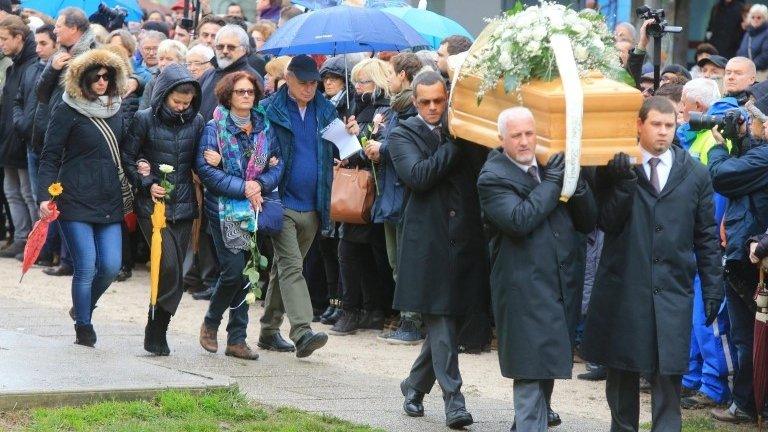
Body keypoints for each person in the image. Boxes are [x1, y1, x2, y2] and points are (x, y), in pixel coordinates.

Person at [582, 96, 724, 432]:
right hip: (625, 289)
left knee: (668, 381)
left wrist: (713, 285)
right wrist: (620, 184)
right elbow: (605, 223)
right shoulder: (617, 165)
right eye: (656, 125)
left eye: (669, 125)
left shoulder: (695, 173)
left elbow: (705, 236)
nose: (663, 132)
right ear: (639, 125)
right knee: (622, 380)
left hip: (672, 290)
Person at [478, 107, 596, 432]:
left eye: (530, 133)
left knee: (546, 369)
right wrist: (556, 181)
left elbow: (588, 221)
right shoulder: (492, 176)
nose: (525, 141)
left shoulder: (549, 166)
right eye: (516, 135)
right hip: (522, 289)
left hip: (558, 285)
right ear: (501, 138)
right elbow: (520, 219)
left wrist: (576, 179)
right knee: (529, 371)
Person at [389, 70, 488, 429]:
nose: (433, 108)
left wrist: (464, 138)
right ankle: (454, 400)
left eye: (438, 101)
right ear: (415, 102)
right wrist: (454, 144)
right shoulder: (402, 133)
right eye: (425, 102)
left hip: (464, 239)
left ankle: (414, 385)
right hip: (427, 243)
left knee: (450, 322)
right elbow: (418, 176)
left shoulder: (462, 131)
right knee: (442, 320)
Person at [37, 48, 130, 347]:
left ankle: (82, 306)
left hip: (110, 197)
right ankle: (84, 326)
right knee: (87, 264)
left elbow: (127, 150)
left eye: (108, 76)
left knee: (111, 266)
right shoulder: (66, 108)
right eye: (96, 77)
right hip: (74, 197)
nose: (102, 82)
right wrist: (44, 196)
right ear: (84, 79)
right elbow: (49, 155)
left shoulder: (117, 107)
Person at [197, 71, 282, 361]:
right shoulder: (214, 127)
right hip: (223, 209)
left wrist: (259, 184)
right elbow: (206, 172)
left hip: (255, 206)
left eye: (250, 92)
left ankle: (237, 339)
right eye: (240, 92)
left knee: (248, 272)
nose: (246, 96)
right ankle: (211, 322)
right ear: (228, 95)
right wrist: (243, 187)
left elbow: (276, 164)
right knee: (233, 270)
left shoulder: (264, 127)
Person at [258, 55, 340, 358]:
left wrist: (353, 135)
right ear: (287, 78)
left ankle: (268, 330)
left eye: (314, 83)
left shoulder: (327, 109)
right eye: (303, 83)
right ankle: (302, 330)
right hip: (281, 202)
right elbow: (255, 152)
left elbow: (346, 150)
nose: (309, 88)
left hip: (314, 204)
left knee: (284, 268)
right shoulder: (268, 110)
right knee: (293, 266)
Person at [122, 64, 204, 356]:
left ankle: (158, 325)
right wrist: (145, 182)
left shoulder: (197, 122)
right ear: (164, 95)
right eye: (177, 102)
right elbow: (128, 156)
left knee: (176, 272)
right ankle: (155, 327)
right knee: (167, 266)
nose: (182, 107)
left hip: (183, 206)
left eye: (187, 103)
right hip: (152, 206)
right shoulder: (144, 119)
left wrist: (213, 161)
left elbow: (198, 163)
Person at [708, 96, 768, 424]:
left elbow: (724, 177)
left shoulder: (765, 156)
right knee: (746, 336)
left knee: (749, 337)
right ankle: (746, 403)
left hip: (751, 259)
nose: (751, 123)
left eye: (754, 118)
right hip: (744, 252)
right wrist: (740, 140)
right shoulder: (758, 151)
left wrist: (719, 148)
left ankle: (748, 405)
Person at [330, 58, 395, 336]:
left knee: (355, 252)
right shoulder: (358, 105)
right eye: (356, 81)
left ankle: (355, 310)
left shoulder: (385, 109)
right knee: (361, 251)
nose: (357, 86)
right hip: (362, 187)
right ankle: (369, 309)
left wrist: (355, 140)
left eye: (363, 81)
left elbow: (373, 151)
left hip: (372, 188)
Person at [372, 52, 422, 345]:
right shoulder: (395, 108)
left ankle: (412, 321)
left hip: (404, 193)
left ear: (403, 75)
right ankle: (407, 317)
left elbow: (407, 147)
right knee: (395, 260)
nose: (387, 79)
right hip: (391, 191)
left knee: (406, 260)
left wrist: (383, 147)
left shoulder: (411, 109)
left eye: (390, 73)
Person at [0, 15, 40, 259]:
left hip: (22, 139)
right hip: (8, 138)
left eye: (5, 39)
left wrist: (20, 130)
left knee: (28, 193)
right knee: (12, 191)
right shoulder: (14, 65)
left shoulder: (31, 66)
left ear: (19, 37)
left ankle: (36, 242)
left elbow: (26, 106)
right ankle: (21, 237)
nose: (1, 44)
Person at [19, 24, 57, 206]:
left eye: (44, 43)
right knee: (35, 198)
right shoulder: (31, 69)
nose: (38, 49)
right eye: (36, 43)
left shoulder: (61, 72)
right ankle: (36, 235)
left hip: (50, 148)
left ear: (56, 45)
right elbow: (18, 101)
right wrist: (22, 124)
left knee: (52, 202)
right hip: (32, 144)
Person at [199, 24, 262, 122]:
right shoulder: (208, 74)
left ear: (244, 49)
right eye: (220, 47)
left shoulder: (251, 78)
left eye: (231, 47)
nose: (224, 51)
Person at [139, 39, 187, 111]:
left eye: (169, 59)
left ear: (181, 61)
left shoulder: (188, 84)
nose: (163, 63)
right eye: (161, 59)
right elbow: (142, 113)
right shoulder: (152, 83)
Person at [737, 4, 768, 78]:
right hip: (745, 73)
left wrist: (749, 67)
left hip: (760, 74)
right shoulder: (748, 33)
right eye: (753, 17)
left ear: (765, 19)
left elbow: (765, 55)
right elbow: (741, 51)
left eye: (759, 17)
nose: (755, 19)